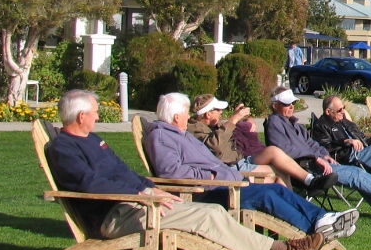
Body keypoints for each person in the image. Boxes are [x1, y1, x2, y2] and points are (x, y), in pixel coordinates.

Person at [45, 90, 320, 250]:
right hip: (116, 214)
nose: (96, 116)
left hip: (139, 202)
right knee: (209, 214)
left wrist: (152, 190)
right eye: (93, 112)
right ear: (81, 116)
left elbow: (125, 173)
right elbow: (89, 184)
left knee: (214, 213)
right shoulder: (64, 148)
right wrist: (141, 195)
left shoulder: (93, 140)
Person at [147, 92, 357, 241]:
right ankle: (315, 229)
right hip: (209, 192)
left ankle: (321, 218)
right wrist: (210, 175)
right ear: (176, 117)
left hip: (227, 182)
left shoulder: (179, 134)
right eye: (184, 114)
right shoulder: (161, 137)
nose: (187, 117)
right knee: (266, 196)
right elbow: (171, 172)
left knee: (275, 189)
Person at [265, 87, 371, 220]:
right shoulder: (274, 123)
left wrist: (323, 155)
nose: (291, 106)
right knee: (356, 174)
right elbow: (284, 150)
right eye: (286, 104)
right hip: (305, 169)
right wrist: (316, 158)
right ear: (274, 105)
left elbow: (313, 144)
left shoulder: (294, 125)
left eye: (292, 102)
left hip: (319, 163)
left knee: (358, 173)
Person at [186, 93, 337, 195]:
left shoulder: (211, 125)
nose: (220, 113)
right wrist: (233, 119)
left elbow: (225, 132)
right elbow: (216, 146)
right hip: (230, 168)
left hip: (241, 160)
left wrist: (244, 119)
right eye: (218, 110)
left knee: (273, 151)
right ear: (207, 114)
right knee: (280, 172)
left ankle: (309, 181)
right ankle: (297, 199)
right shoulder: (194, 130)